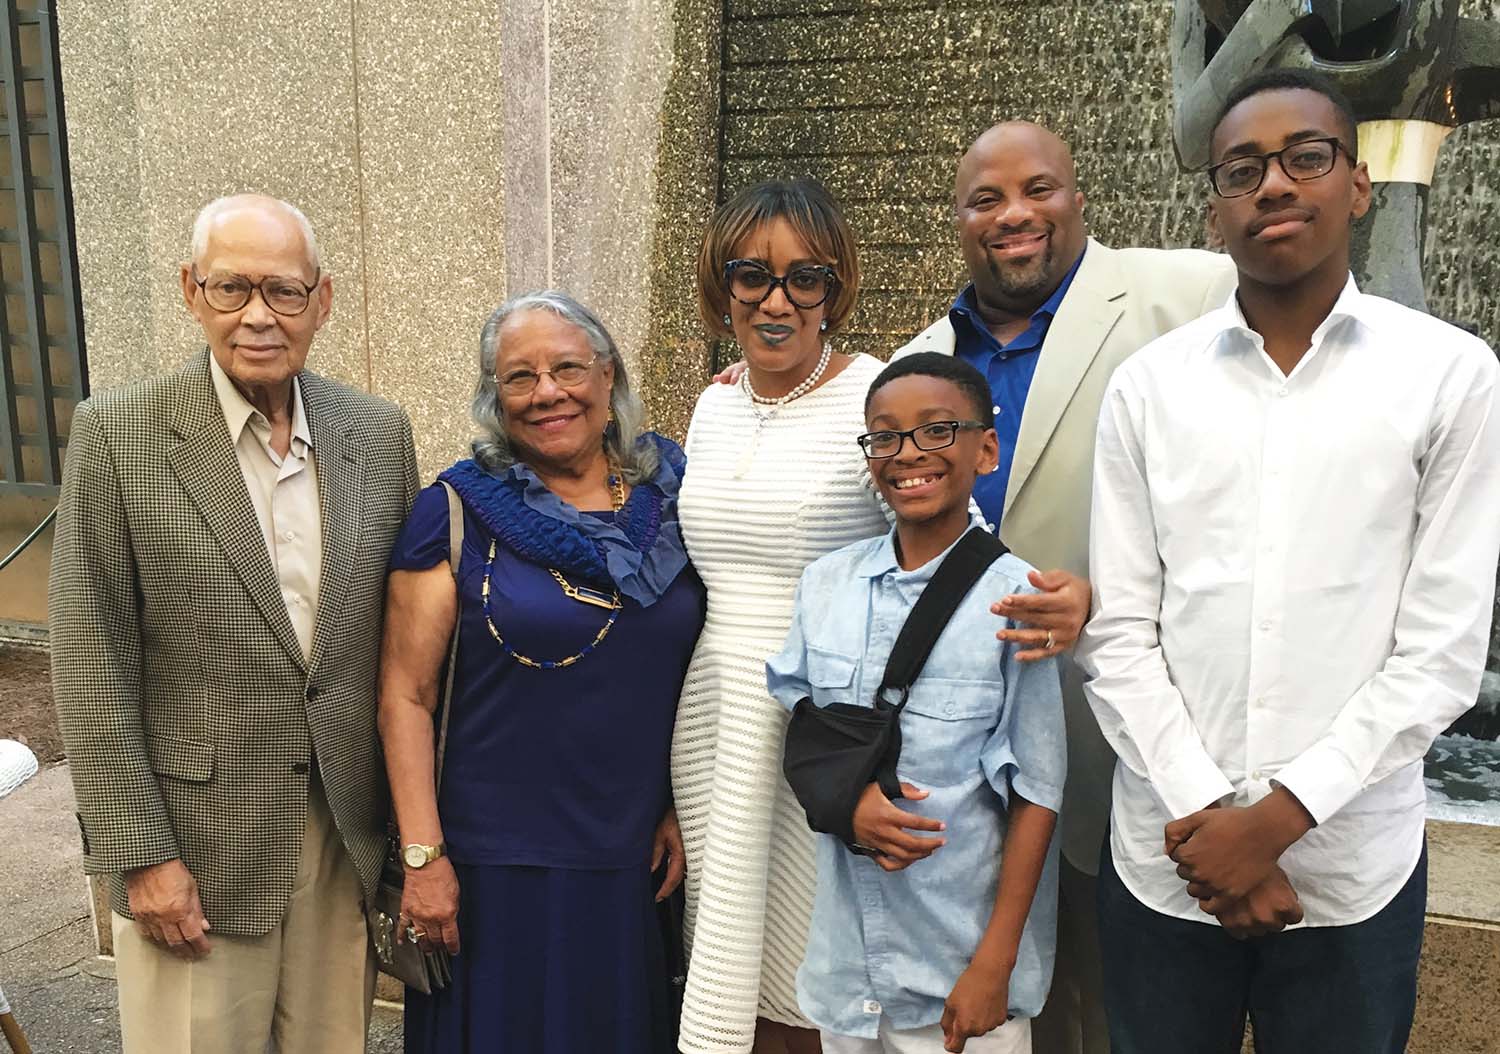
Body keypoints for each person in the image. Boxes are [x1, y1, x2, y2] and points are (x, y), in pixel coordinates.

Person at [1078, 70, 1500, 1053]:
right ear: (1215, 210)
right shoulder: (1147, 388)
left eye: (1306, 157)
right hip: (1168, 862)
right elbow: (1122, 635)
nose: (1274, 184)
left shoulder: (1451, 376)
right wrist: (1211, 818)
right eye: (1243, 169)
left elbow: (1440, 651)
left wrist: (1275, 820)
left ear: (1358, 184)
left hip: (1353, 868)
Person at [675, 179, 1088, 1054]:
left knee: (814, 969)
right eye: (751, 276)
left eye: (805, 278)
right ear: (723, 285)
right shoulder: (711, 404)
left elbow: (942, 531)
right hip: (718, 716)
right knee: (729, 966)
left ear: (838, 287)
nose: (776, 299)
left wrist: (1069, 595)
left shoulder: (872, 397)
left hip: (831, 723)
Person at [890, 122, 1238, 1054]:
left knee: (1110, 1004)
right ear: (958, 219)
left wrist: (1117, 597)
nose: (1015, 215)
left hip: (1115, 727)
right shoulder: (917, 356)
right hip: (960, 755)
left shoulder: (1195, 294)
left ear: (1078, 196)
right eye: (985, 200)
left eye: (1038, 189)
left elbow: (1255, 487)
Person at [48, 194, 419, 1053]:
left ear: (321, 301)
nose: (258, 315)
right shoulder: (118, 434)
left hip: (342, 837)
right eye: (232, 288)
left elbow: (401, 647)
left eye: (283, 292)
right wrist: (139, 855)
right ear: (191, 290)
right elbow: (90, 657)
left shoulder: (377, 433)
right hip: (197, 851)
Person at [378, 291, 703, 1053]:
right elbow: (404, 695)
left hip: (631, 858)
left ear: (607, 373)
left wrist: (685, 799)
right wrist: (424, 858)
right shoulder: (455, 509)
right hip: (493, 863)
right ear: (495, 399)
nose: (547, 392)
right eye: (519, 378)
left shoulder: (674, 500)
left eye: (567, 368)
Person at [768, 352, 1067, 1054]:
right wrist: (847, 801)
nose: (910, 454)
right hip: (848, 971)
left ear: (984, 449)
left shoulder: (1019, 600)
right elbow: (803, 723)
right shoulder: (826, 585)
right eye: (885, 435)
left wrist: (994, 965)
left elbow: (1038, 789)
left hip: (956, 973)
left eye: (937, 431)